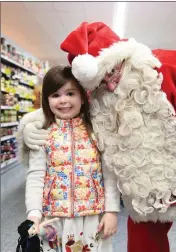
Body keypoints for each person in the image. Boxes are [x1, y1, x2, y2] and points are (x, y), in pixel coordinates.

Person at [18, 22, 176, 252]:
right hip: (147, 187)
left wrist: (110, 210)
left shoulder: (169, 67)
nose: (110, 86)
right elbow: (65, 105)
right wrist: (30, 125)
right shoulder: (96, 92)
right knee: (143, 240)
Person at [24, 65, 120, 252]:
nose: (64, 101)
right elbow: (35, 176)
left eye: (70, 93)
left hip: (93, 217)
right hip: (53, 218)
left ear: (83, 98)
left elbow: (109, 175)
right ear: (47, 100)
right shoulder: (43, 135)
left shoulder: (96, 133)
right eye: (55, 95)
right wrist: (33, 213)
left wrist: (111, 211)